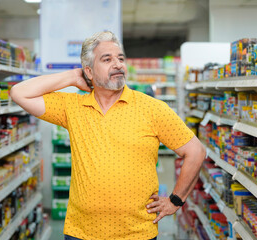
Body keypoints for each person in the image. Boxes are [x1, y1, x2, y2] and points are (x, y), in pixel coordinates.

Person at [10, 31, 206, 240]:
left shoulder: (152, 108)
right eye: (107, 59)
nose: (118, 64)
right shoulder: (73, 107)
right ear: (89, 71)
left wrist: (176, 200)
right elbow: (19, 92)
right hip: (81, 232)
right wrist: (72, 77)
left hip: (137, 233)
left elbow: (196, 151)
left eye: (120, 58)